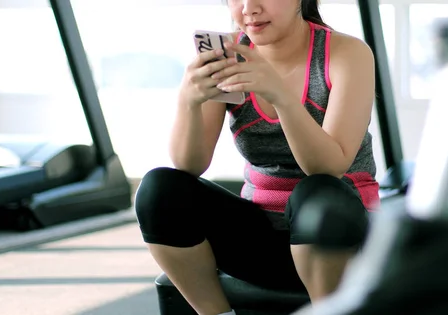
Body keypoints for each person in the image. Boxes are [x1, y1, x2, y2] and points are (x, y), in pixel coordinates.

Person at [134, 0, 380, 314]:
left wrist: (280, 96)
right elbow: (189, 166)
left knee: (318, 192)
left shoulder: (347, 54)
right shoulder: (229, 56)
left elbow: (328, 167)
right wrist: (190, 101)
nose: (249, 8)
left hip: (340, 237)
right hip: (260, 241)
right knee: (160, 188)